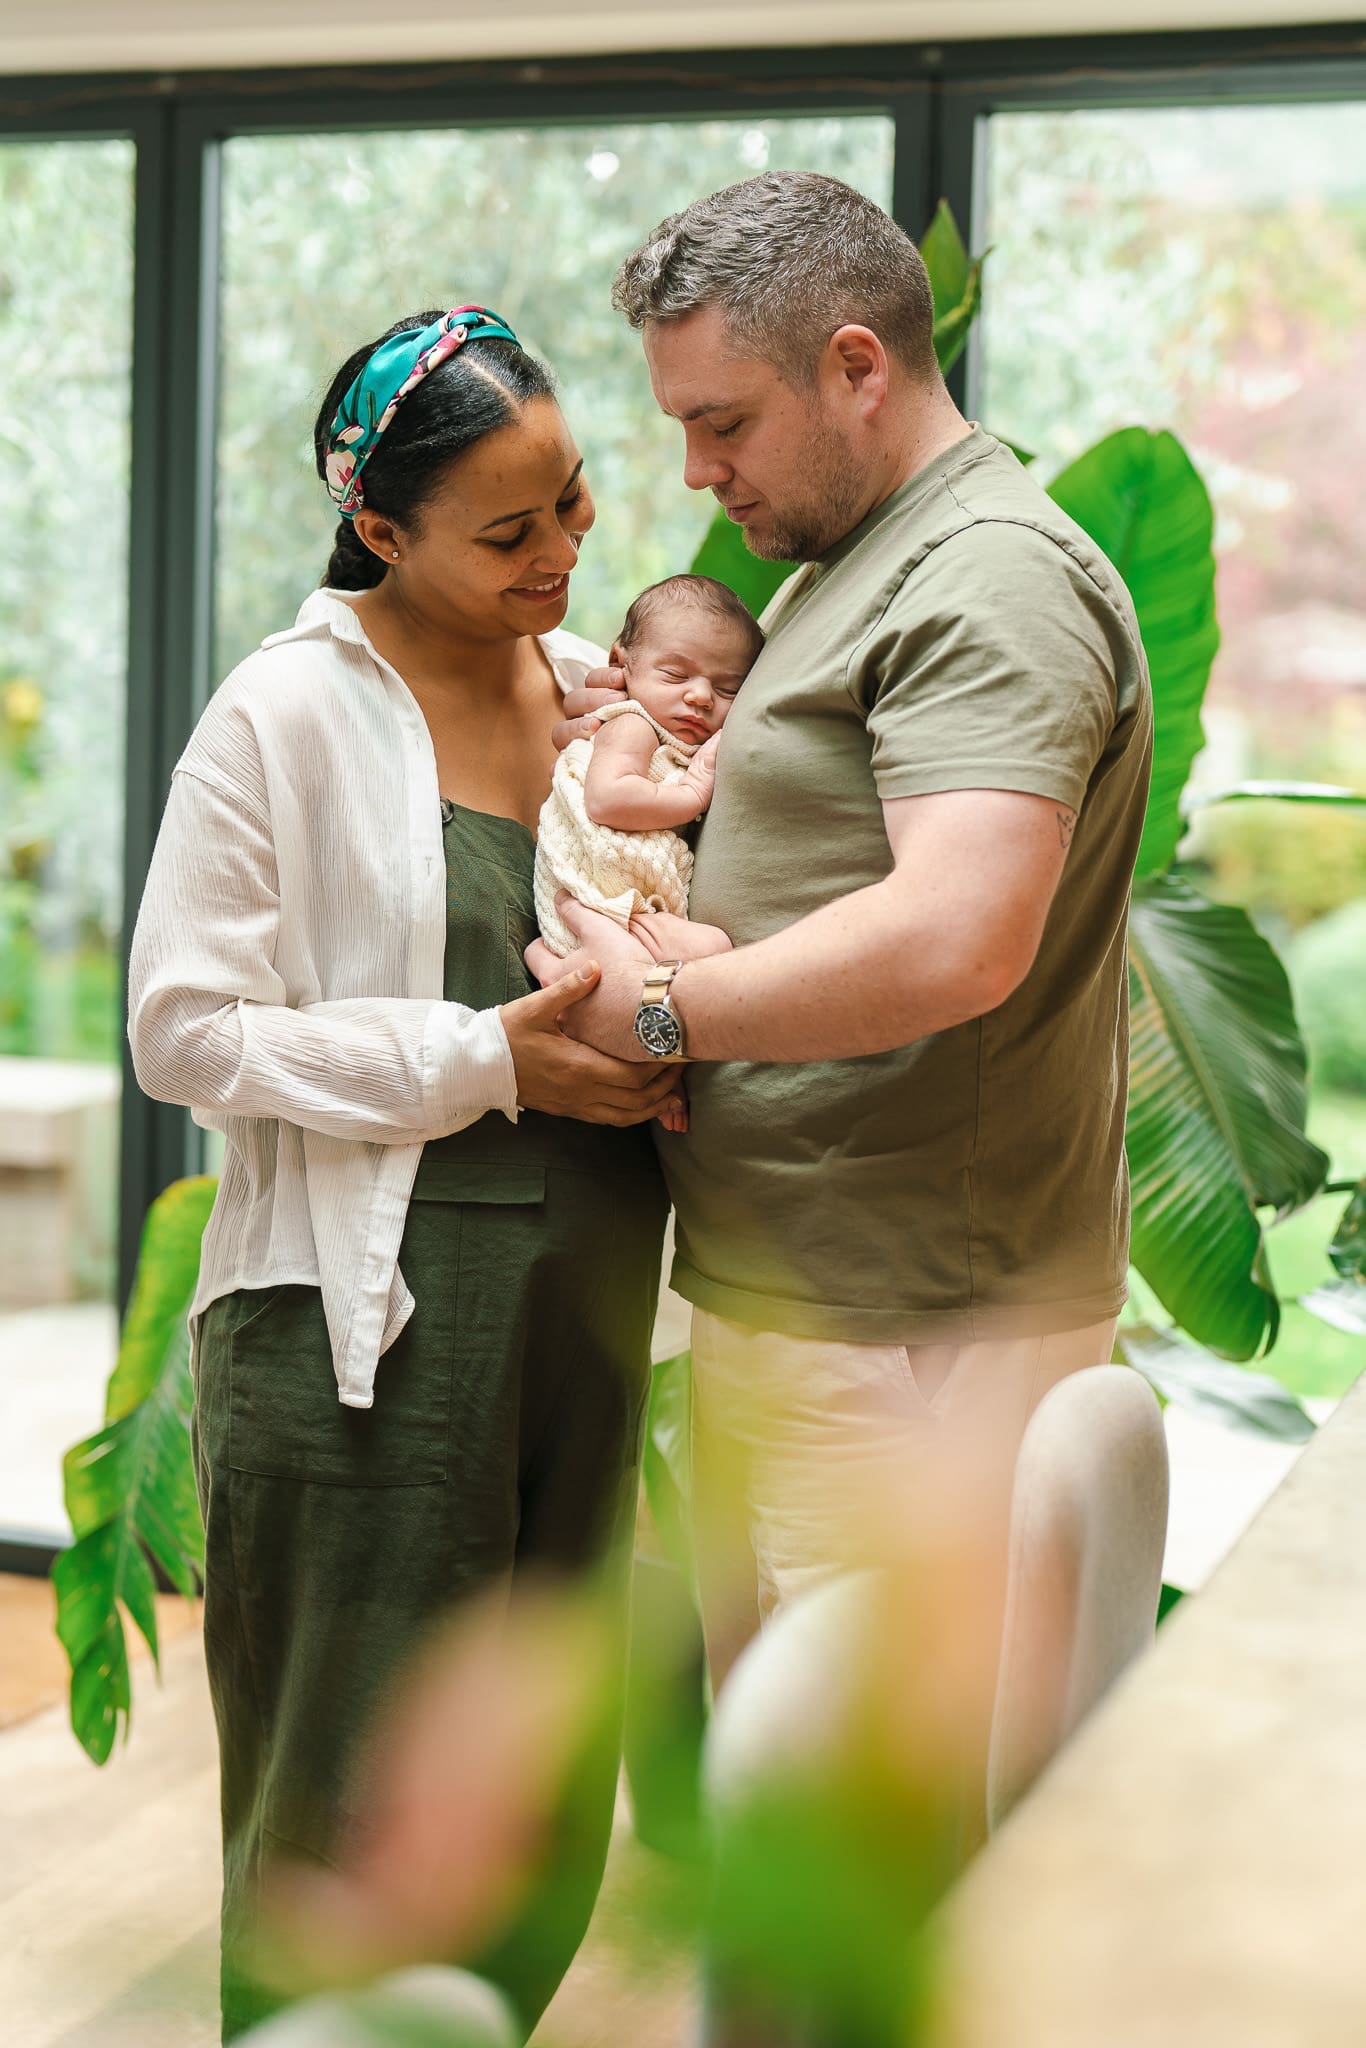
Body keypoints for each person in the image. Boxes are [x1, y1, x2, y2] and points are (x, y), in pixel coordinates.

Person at [542, 172, 1156, 1782]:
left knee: (867, 1832)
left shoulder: (988, 579)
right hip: (821, 1311)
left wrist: (661, 1009)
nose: (697, 471)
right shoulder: (850, 560)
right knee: (793, 1811)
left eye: (724, 421)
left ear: (858, 364)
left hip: (903, 1338)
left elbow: (957, 934)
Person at [127, 304, 679, 2042]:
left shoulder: (599, 699)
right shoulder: (281, 714)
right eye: (509, 532)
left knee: (525, 1801)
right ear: (379, 528)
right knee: (349, 1810)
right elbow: (187, 1032)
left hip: (583, 1312)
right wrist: (483, 1057)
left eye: (575, 505)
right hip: (368, 1339)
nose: (561, 553)